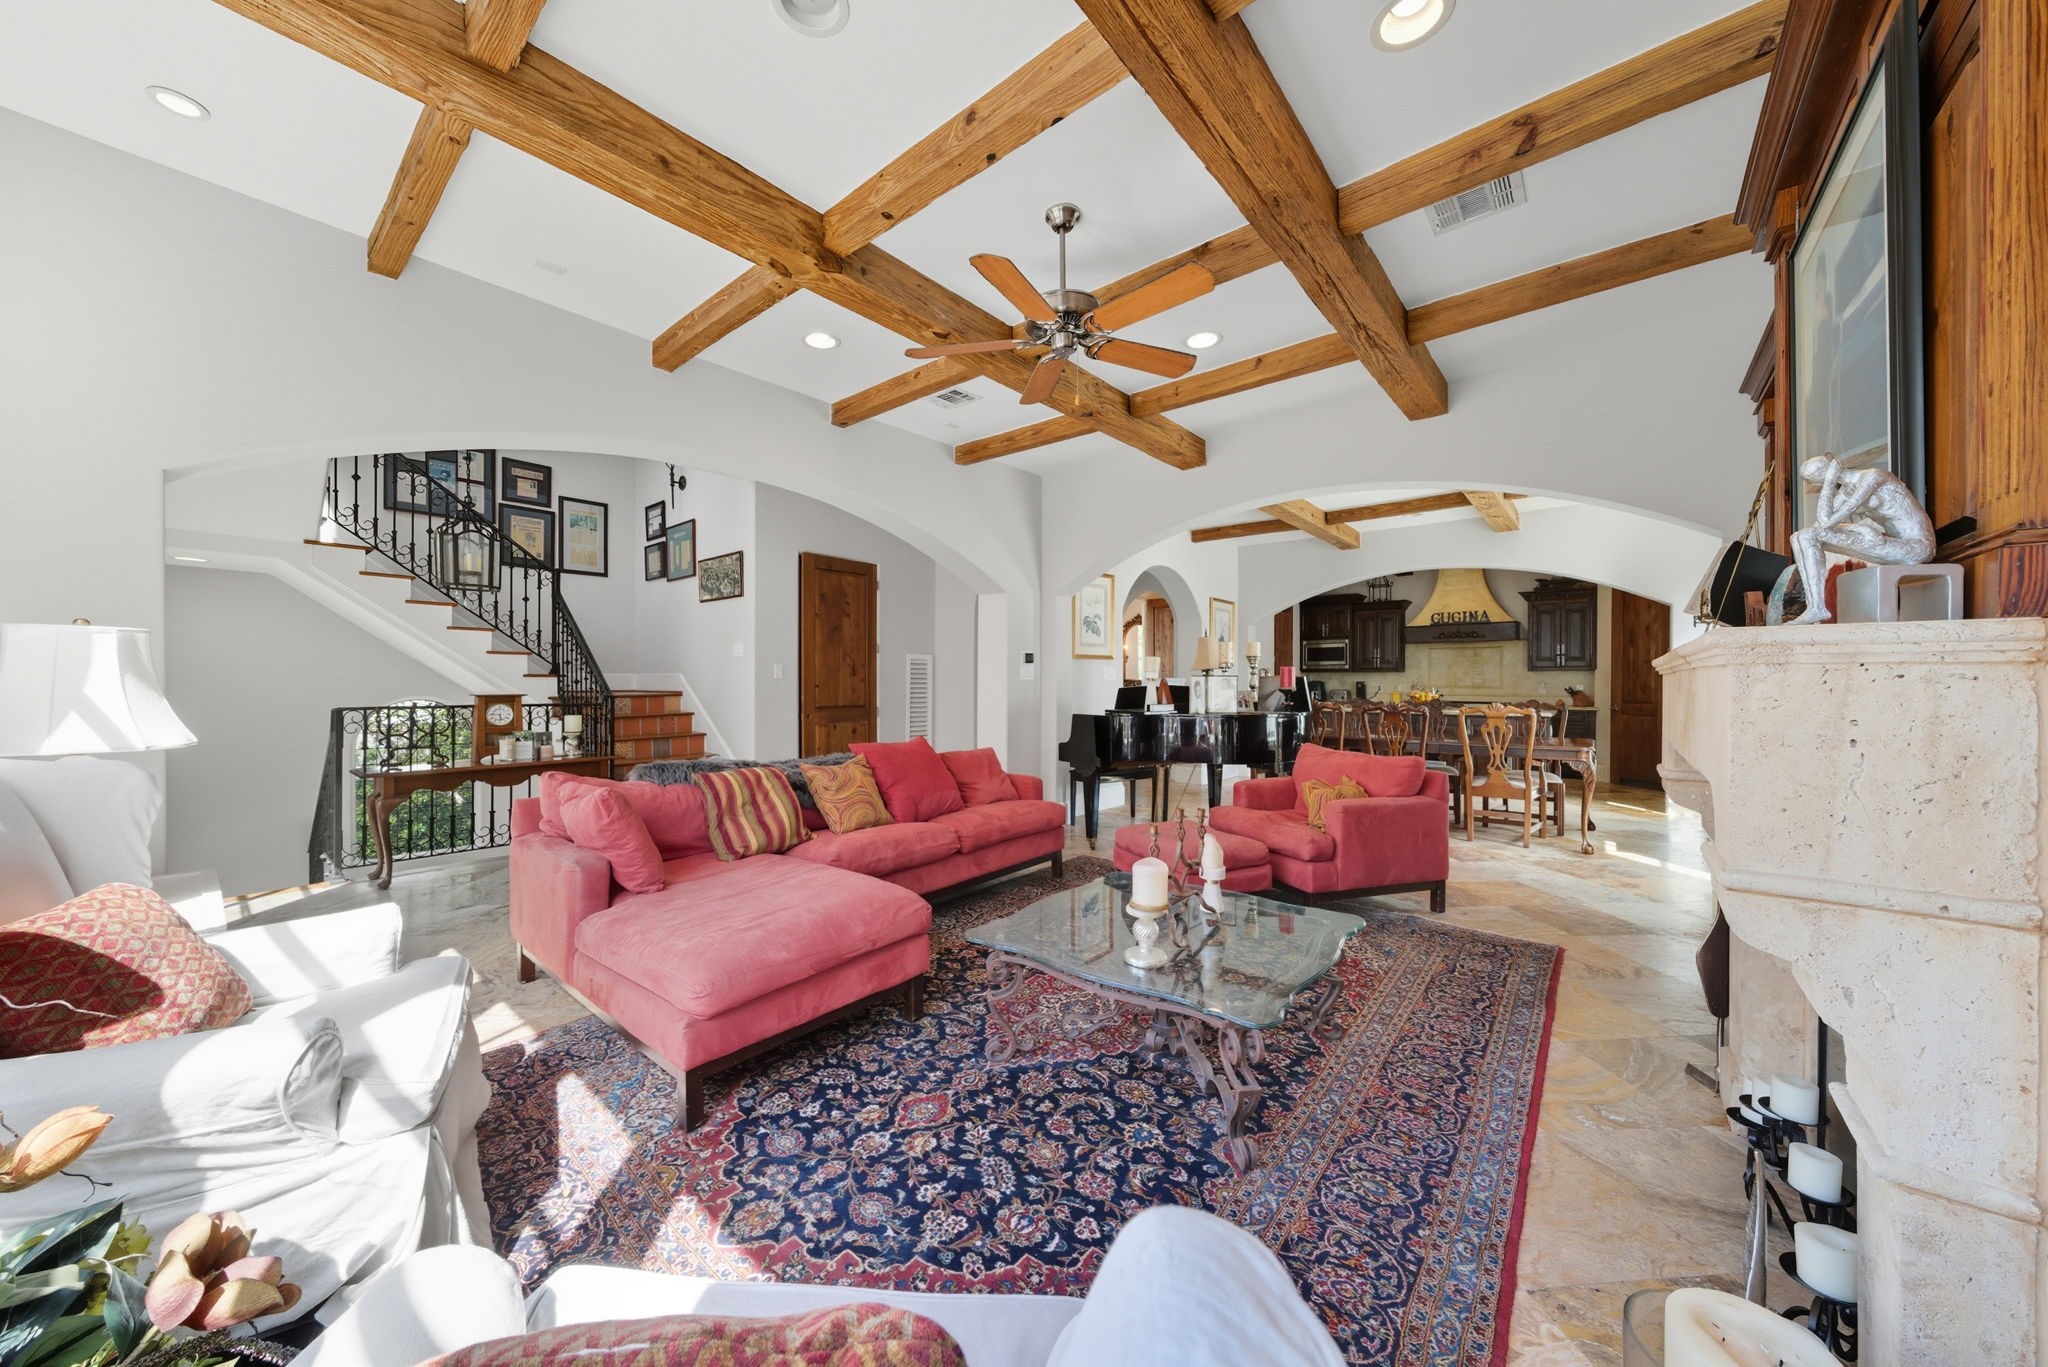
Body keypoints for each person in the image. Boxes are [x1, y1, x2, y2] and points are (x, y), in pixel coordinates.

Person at [1788, 453, 1935, 624]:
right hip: (1892, 544)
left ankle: (1817, 608)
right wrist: (1858, 528)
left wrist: (1829, 482)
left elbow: (1827, 522)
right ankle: (1815, 607)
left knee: (1808, 536)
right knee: (1798, 536)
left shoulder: (1874, 476)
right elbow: (1819, 526)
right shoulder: (1846, 491)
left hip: (1917, 547)